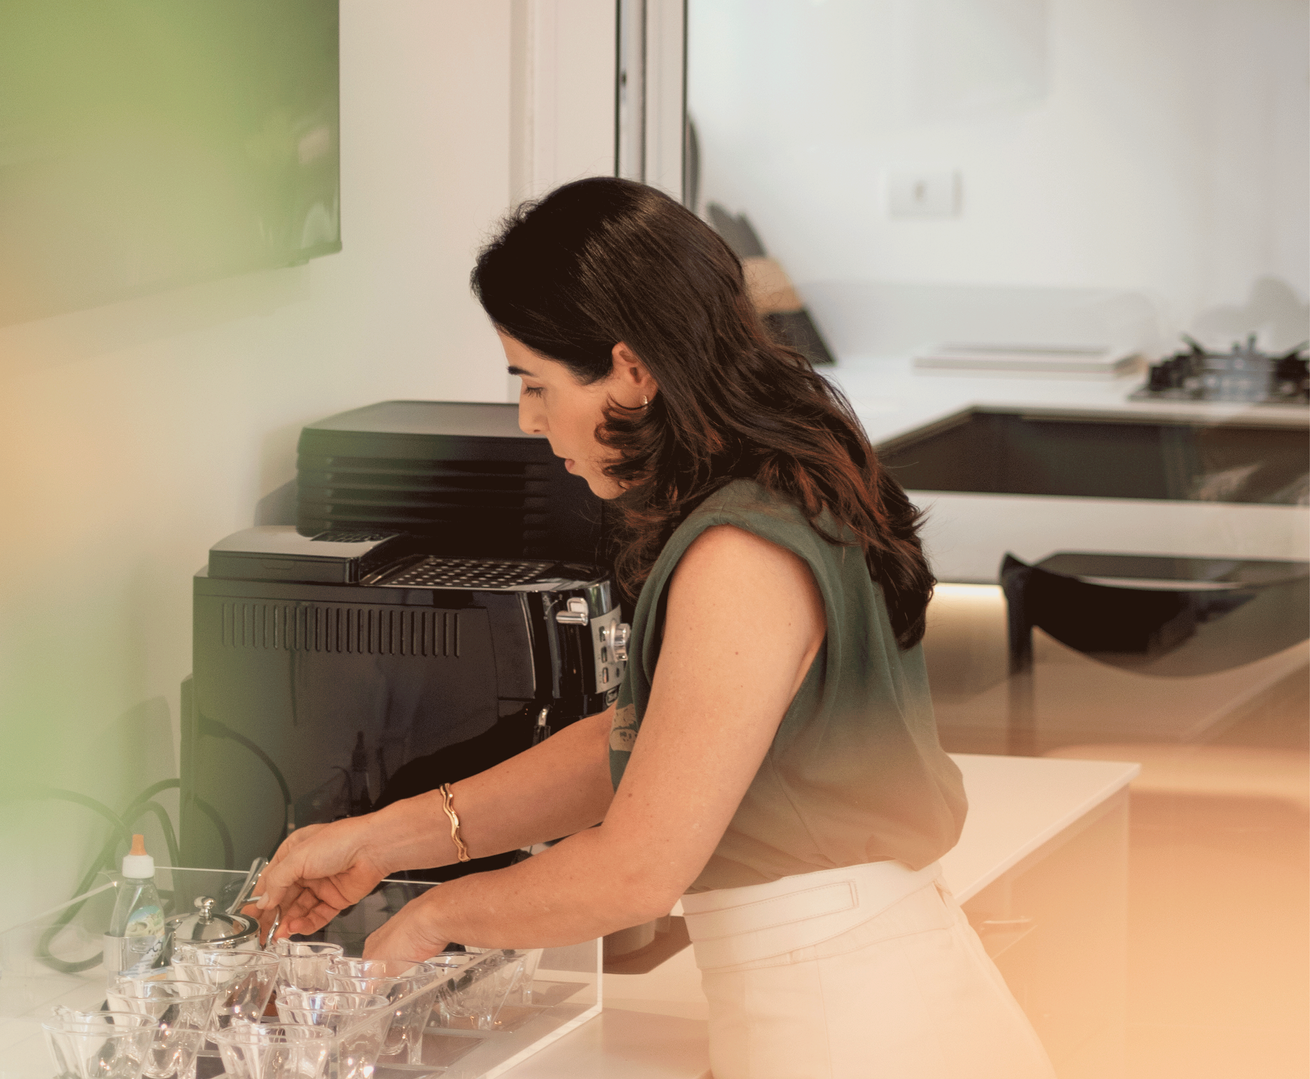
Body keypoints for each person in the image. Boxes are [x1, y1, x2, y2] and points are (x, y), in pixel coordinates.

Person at [253, 178, 1056, 1079]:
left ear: (631, 369)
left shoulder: (741, 554)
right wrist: (382, 839)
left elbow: (639, 869)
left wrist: (434, 919)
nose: (527, 417)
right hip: (862, 1001)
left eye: (534, 380)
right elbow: (646, 744)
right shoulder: (782, 488)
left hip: (847, 1028)